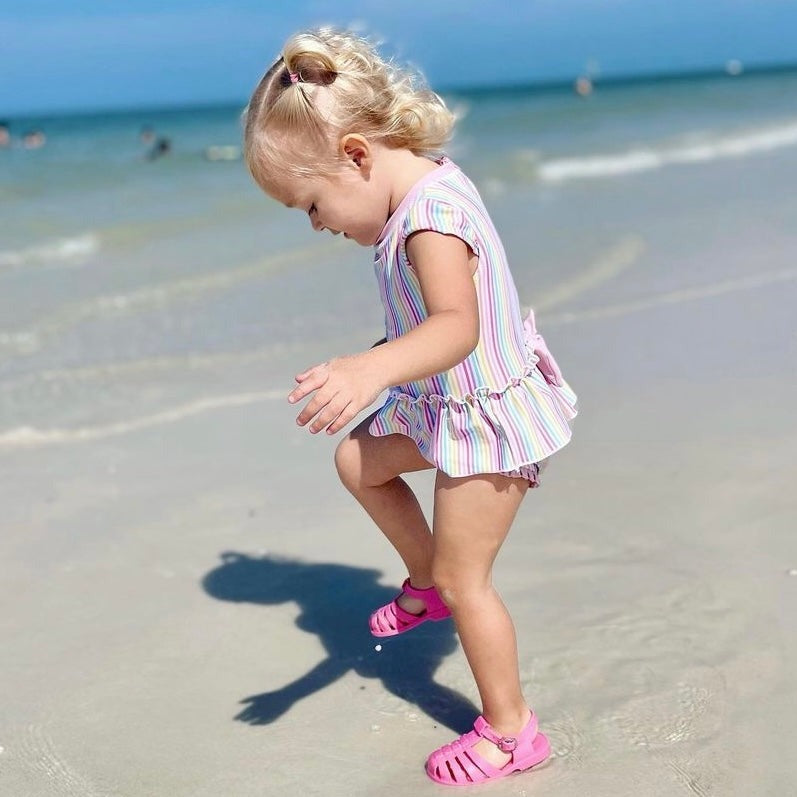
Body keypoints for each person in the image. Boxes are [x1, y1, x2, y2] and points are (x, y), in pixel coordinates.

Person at [243, 28, 577, 786]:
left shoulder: (430, 218)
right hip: (446, 406)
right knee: (358, 460)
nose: (318, 222)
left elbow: (455, 325)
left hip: (488, 422)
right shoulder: (410, 195)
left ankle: (510, 729)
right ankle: (421, 580)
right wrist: (385, 364)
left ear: (357, 156)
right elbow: (428, 324)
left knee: (471, 583)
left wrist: (371, 368)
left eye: (313, 203)